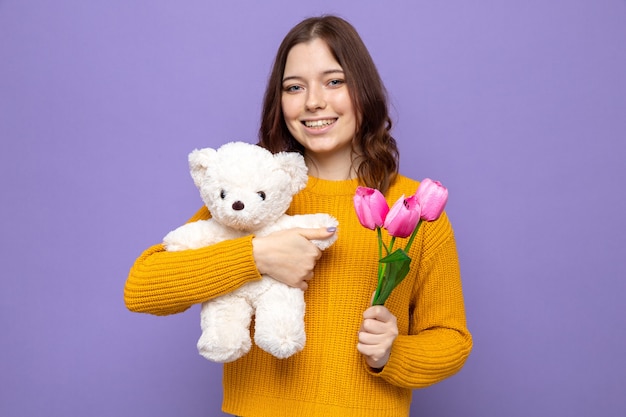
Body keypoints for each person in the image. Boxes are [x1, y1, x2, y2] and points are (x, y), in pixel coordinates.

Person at [124, 15, 472, 417]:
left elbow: (451, 339)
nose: (313, 101)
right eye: (294, 87)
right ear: (280, 101)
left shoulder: (411, 207)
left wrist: (392, 353)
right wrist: (255, 257)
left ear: (364, 90)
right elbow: (142, 287)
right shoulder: (257, 197)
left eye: (334, 81)